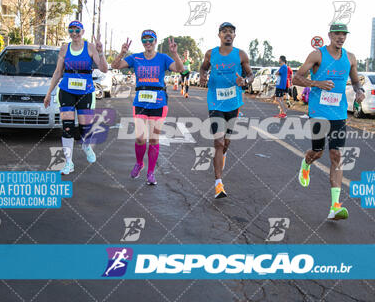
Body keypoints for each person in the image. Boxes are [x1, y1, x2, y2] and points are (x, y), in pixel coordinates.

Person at [292, 22, 365, 220]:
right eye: (337, 34)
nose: (340, 37)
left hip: (339, 114)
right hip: (318, 112)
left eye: (344, 34)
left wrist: (359, 91)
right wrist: (317, 83)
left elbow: (356, 81)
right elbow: (296, 79)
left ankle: (335, 206)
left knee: (336, 155)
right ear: (330, 35)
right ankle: (306, 164)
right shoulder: (317, 55)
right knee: (318, 152)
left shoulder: (350, 58)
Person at [112, 30, 184, 185]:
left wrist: (175, 53)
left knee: (153, 139)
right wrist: (122, 53)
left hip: (158, 102)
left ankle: (151, 172)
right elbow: (114, 65)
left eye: (150, 39)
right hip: (140, 102)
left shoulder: (163, 58)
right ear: (142, 42)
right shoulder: (135, 57)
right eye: (144, 40)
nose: (147, 42)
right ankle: (139, 163)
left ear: (155, 41)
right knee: (140, 138)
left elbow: (180, 69)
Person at [44, 20, 107, 175]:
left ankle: (86, 146)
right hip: (66, 90)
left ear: (82, 32)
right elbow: (58, 72)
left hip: (85, 92)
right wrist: (48, 93)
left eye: (77, 30)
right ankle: (68, 163)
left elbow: (104, 69)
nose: (74, 34)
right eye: (71, 30)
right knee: (67, 127)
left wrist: (100, 52)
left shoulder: (90, 47)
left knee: (85, 128)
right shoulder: (64, 48)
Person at [199, 22, 254, 198]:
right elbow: (203, 68)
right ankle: (218, 184)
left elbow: (251, 75)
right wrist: (202, 76)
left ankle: (221, 158)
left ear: (234, 36)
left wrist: (245, 82)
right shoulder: (211, 53)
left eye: (231, 32)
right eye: (224, 32)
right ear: (219, 35)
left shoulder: (241, 54)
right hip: (215, 103)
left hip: (233, 103)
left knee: (227, 143)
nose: (228, 34)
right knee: (219, 142)